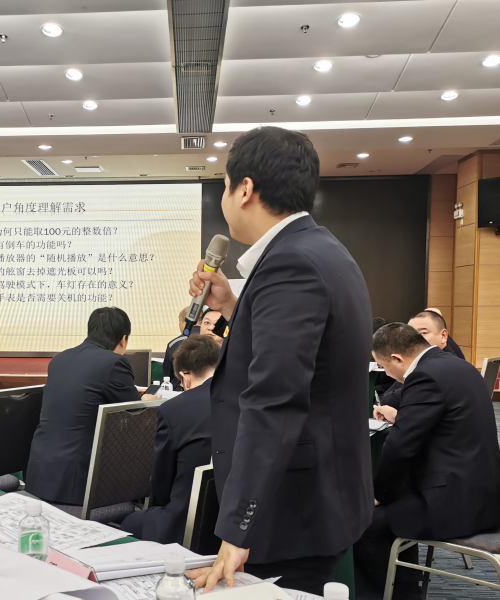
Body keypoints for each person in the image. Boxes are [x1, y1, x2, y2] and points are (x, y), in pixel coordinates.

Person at [186, 126, 373, 595]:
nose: (224, 198)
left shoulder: (291, 265)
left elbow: (274, 400)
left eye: (224, 185)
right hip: (317, 492)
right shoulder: (320, 249)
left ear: (245, 189)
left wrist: (236, 529)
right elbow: (302, 352)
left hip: (292, 508)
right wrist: (233, 306)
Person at [356, 323, 500, 600]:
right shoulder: (457, 365)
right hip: (482, 491)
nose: (387, 374)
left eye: (384, 367)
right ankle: (407, 587)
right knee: (395, 510)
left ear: (397, 358)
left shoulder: (424, 377)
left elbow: (400, 446)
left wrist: (379, 494)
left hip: (456, 504)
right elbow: (451, 422)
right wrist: (403, 417)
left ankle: (397, 594)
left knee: (366, 522)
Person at [26, 307, 140, 506]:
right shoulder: (114, 362)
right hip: (77, 483)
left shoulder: (60, 358)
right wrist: (149, 399)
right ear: (123, 339)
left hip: (40, 473)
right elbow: (136, 414)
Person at [122, 334, 220, 544]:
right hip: (235, 523)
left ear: (185, 377)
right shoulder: (248, 399)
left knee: (130, 522)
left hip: (188, 523)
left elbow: (161, 483)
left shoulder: (174, 409)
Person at [380, 310, 470, 410]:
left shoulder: (440, 368)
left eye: (423, 333)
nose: (414, 340)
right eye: (410, 335)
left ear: (443, 336)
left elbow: (391, 401)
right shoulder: (425, 361)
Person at [162, 306, 190, 391]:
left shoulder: (174, 344)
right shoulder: (214, 342)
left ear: (186, 322)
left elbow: (167, 376)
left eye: (179, 321)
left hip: (178, 391)